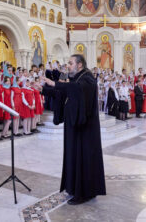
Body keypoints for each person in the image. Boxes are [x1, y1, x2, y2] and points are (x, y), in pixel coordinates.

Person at [39, 54, 106, 205]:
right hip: (74, 126)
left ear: (79, 65)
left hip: (85, 129)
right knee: (74, 157)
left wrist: (55, 83)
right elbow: (63, 93)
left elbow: (74, 89)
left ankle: (84, 193)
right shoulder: (77, 78)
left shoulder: (87, 78)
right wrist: (43, 90)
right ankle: (77, 188)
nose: (67, 66)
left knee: (83, 159)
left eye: (70, 63)